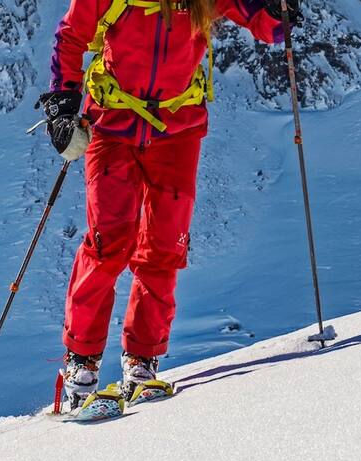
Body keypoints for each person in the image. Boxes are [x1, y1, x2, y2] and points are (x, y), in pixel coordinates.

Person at [37, 0, 299, 409]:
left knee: (164, 245)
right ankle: (81, 362)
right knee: (108, 243)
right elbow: (71, 36)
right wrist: (63, 99)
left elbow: (267, 27)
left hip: (178, 130)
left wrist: (281, 12)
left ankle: (142, 361)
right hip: (112, 122)